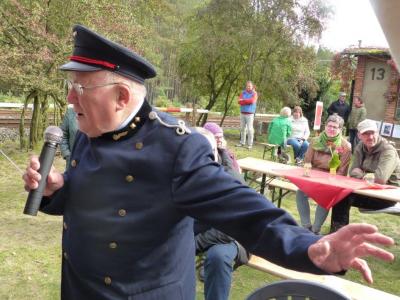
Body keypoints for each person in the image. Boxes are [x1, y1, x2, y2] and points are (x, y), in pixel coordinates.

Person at [22, 25, 395, 299]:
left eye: (80, 87)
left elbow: (247, 212)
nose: (70, 98)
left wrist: (309, 247)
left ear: (121, 96)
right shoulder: (92, 131)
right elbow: (94, 198)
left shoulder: (176, 148)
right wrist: (59, 191)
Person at [195, 126, 249, 300]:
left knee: (218, 256)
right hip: (203, 230)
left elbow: (231, 228)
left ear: (215, 149)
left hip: (237, 235)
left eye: (207, 151)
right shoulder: (186, 172)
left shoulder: (230, 178)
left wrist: (192, 244)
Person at [330, 119, 400, 231]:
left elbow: (380, 179)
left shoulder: (388, 150)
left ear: (378, 132)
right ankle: (337, 233)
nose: (370, 137)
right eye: (365, 133)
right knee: (340, 193)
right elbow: (352, 172)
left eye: (373, 133)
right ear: (359, 135)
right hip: (365, 189)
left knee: (344, 196)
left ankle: (337, 233)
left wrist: (362, 175)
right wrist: (369, 176)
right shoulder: (360, 147)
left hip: (387, 195)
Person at [296, 114, 352, 234]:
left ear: (340, 130)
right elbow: (307, 161)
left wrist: (332, 180)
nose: (331, 129)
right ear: (325, 126)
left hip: (331, 179)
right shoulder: (315, 141)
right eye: (329, 126)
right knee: (301, 192)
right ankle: (306, 226)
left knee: (326, 196)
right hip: (314, 176)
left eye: (335, 127)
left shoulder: (345, 146)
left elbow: (342, 171)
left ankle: (315, 230)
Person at [236, 81, 257, 149]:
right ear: (246, 86)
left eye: (250, 86)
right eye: (247, 86)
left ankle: (250, 144)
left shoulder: (254, 93)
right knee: (242, 128)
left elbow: (252, 101)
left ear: (252, 86)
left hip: (250, 114)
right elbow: (239, 101)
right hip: (242, 113)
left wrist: (244, 100)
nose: (248, 87)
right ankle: (242, 142)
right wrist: (246, 101)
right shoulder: (243, 92)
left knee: (250, 129)